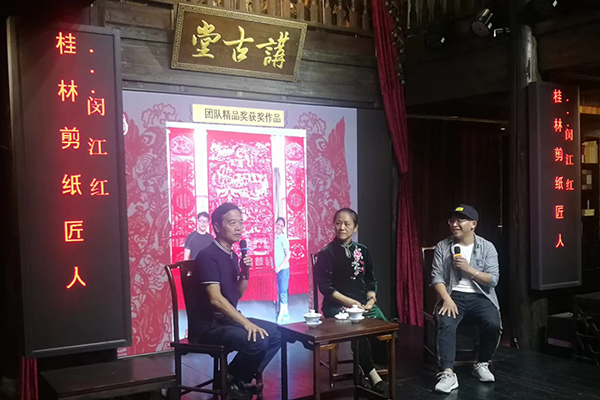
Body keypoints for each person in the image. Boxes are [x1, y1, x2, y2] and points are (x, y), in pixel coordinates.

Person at [185, 203, 282, 400]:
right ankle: (233, 382)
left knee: (277, 333)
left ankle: (231, 379)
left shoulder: (233, 255)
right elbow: (215, 299)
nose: (238, 228)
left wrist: (245, 272)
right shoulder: (207, 256)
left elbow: (238, 294)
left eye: (241, 223)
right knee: (258, 340)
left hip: (226, 321)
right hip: (207, 326)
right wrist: (245, 323)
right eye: (232, 223)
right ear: (217, 226)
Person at [316, 208, 390, 396]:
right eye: (338, 223)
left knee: (385, 325)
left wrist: (371, 300)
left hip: (363, 304)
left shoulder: (363, 250)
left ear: (355, 227)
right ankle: (372, 374)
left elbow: (371, 280)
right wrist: (351, 303)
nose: (342, 227)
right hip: (336, 306)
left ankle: (376, 363)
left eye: (347, 224)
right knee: (359, 326)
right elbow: (325, 288)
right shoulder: (326, 253)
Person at [432, 204, 502, 394]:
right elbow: (437, 277)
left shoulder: (487, 247)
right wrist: (446, 299)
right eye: (452, 221)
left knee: (493, 323)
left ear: (473, 224)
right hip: (452, 295)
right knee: (446, 322)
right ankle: (447, 373)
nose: (454, 224)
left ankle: (481, 363)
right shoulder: (443, 246)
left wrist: (469, 269)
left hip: (481, 296)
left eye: (459, 220)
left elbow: (492, 280)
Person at [274, 217, 291, 324]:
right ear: (275, 224)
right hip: (275, 269)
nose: (279, 227)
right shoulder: (272, 238)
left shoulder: (283, 238)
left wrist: (280, 267)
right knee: (279, 290)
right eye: (278, 224)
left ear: (283, 227)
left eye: (281, 225)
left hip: (283, 269)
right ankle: (285, 312)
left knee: (283, 291)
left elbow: (288, 255)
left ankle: (281, 314)